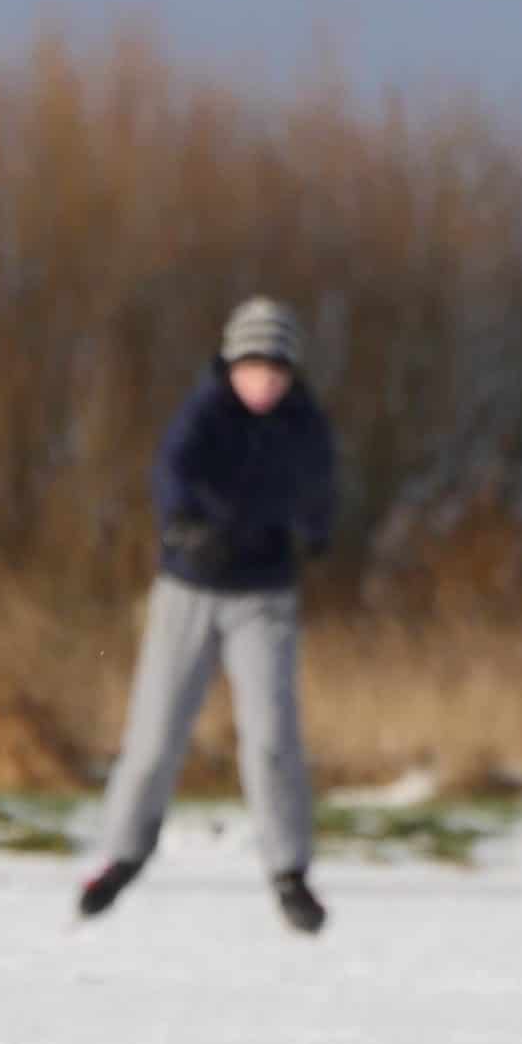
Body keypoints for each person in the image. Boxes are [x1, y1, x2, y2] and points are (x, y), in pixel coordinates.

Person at [78, 297, 337, 935]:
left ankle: (289, 871)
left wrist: (314, 531)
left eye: (277, 370)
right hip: (188, 594)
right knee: (154, 736)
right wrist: (186, 528)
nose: (265, 381)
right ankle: (122, 855)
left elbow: (320, 487)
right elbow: (171, 475)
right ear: (231, 365)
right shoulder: (204, 413)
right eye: (253, 367)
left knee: (272, 738)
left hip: (265, 599)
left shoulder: (304, 424)